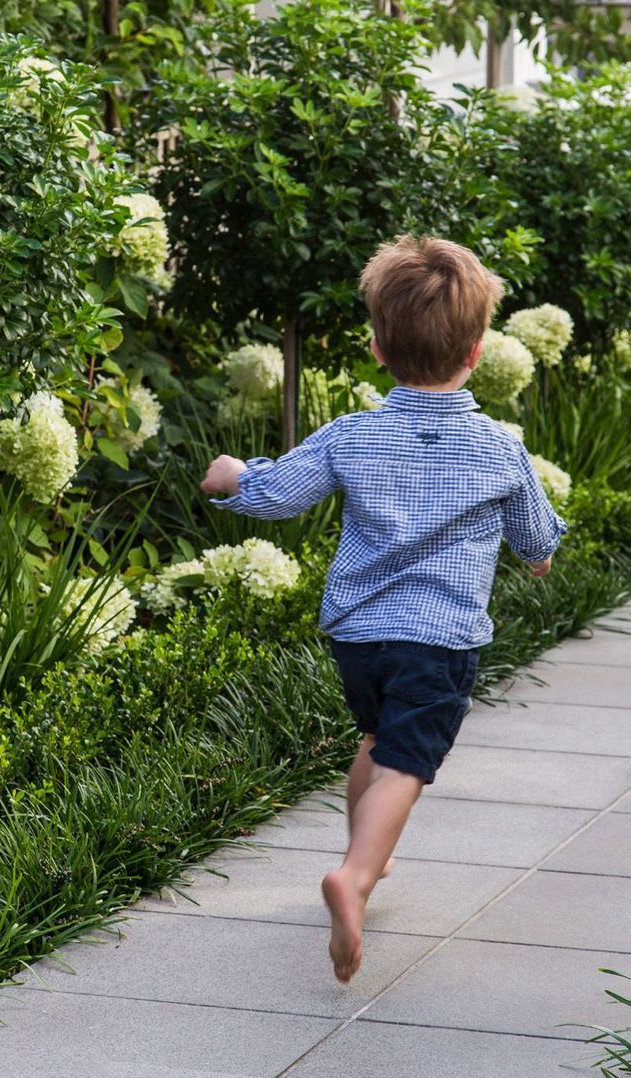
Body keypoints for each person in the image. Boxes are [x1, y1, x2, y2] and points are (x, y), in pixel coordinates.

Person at [200, 235, 567, 983]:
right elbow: (537, 538)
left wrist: (232, 475)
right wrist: (539, 557)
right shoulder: (501, 448)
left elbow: (274, 494)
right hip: (440, 641)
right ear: (476, 352)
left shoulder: (353, 434)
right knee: (408, 760)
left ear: (376, 348)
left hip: (359, 637)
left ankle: (371, 849)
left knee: (375, 736)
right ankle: (355, 876)